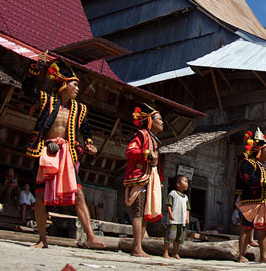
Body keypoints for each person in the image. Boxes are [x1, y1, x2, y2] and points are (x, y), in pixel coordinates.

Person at [22, 58, 104, 249]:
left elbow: (86, 129)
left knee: (80, 195)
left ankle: (91, 237)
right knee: (40, 196)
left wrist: (90, 143)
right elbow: (26, 89)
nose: (77, 89)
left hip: (67, 154)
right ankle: (42, 239)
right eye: (75, 84)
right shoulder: (46, 100)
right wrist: (35, 68)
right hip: (45, 151)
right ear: (64, 84)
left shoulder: (80, 109)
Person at [236, 128, 266, 263]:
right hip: (251, 199)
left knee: (264, 229)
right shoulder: (249, 163)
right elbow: (246, 178)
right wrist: (264, 183)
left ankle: (263, 256)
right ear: (259, 151)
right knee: (246, 227)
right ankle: (241, 255)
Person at [124, 105, 165, 257]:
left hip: (150, 179)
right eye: (159, 119)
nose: (162, 122)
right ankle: (136, 248)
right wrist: (146, 153)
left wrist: (158, 180)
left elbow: (157, 163)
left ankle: (139, 247)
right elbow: (130, 151)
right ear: (150, 121)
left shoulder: (155, 140)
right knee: (138, 213)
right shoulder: (141, 134)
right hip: (139, 177)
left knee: (145, 214)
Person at [163, 175, 190, 259]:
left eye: (187, 182)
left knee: (178, 238)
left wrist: (187, 217)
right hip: (174, 220)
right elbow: (168, 204)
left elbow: (188, 208)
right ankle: (165, 252)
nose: (187, 184)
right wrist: (170, 214)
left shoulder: (186, 197)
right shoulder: (173, 193)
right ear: (178, 184)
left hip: (181, 221)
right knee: (170, 236)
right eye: (185, 181)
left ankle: (175, 253)